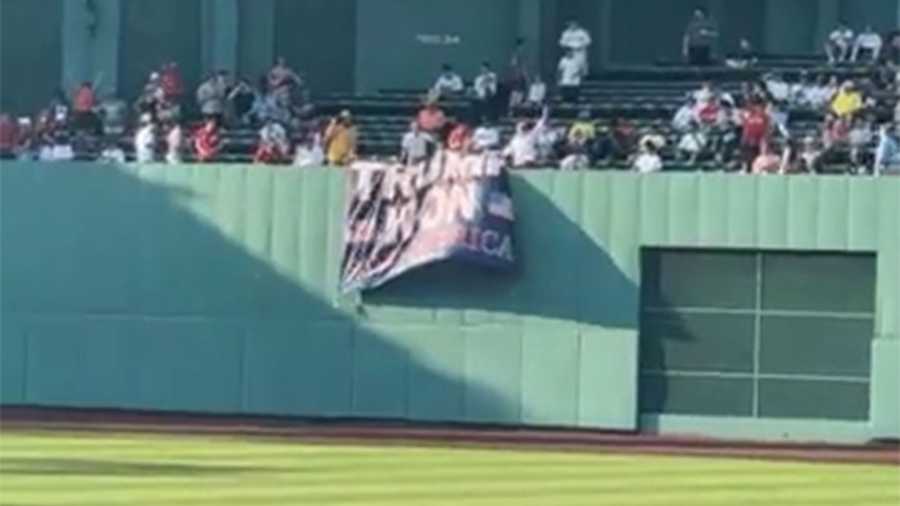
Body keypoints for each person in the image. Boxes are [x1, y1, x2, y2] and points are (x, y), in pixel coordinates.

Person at [740, 97, 771, 173]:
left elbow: (766, 130)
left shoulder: (765, 116)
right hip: (748, 140)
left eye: (759, 105)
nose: (757, 107)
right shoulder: (748, 114)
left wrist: (764, 141)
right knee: (747, 157)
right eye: (755, 105)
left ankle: (757, 169)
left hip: (759, 140)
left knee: (757, 160)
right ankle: (745, 168)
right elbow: (745, 126)